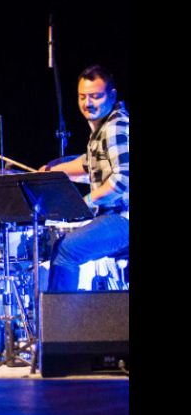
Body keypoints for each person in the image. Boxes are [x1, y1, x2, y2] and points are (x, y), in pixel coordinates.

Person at [42, 65, 129, 292]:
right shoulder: (102, 128)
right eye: (83, 97)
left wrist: (87, 201)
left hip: (124, 218)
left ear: (112, 95)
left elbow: (123, 179)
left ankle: (61, 325)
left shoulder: (116, 126)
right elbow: (86, 163)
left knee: (66, 250)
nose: (88, 103)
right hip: (117, 216)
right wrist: (51, 172)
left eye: (95, 96)